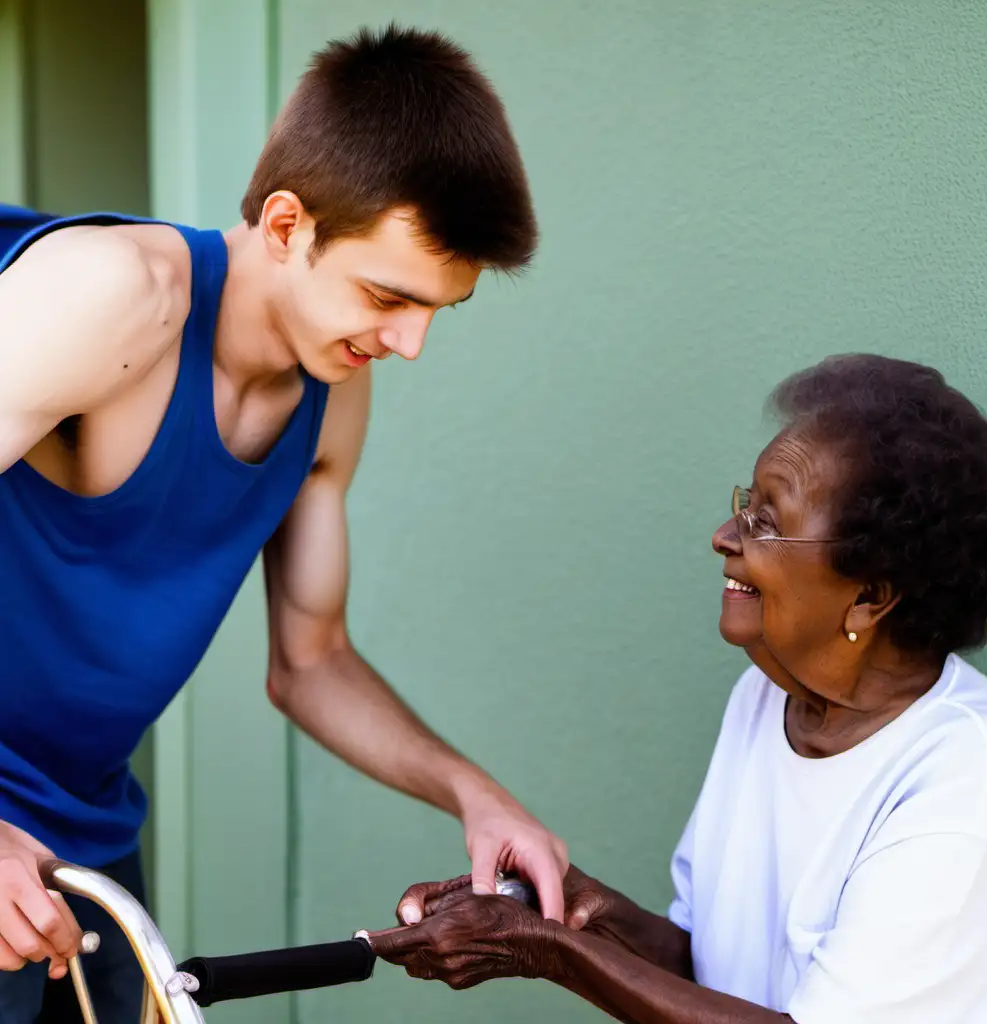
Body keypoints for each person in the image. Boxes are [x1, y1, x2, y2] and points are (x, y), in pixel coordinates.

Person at [0, 25, 569, 1023]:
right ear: (285, 223)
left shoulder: (332, 385)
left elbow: (310, 659)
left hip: (83, 845)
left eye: (438, 309)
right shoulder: (109, 295)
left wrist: (475, 794)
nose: (411, 343)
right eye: (388, 295)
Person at [369, 354, 987, 1024]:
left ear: (870, 595)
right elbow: (703, 967)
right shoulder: (765, 699)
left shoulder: (971, 774)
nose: (723, 536)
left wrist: (549, 951)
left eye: (766, 521)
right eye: (745, 504)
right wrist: (555, 902)